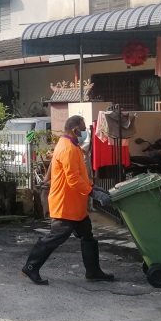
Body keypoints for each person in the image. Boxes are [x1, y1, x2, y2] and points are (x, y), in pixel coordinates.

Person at [22, 115, 114, 285]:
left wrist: (94, 187)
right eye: (83, 129)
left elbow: (79, 175)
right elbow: (73, 180)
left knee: (87, 235)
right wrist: (93, 193)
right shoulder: (68, 149)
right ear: (75, 130)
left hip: (75, 205)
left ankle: (93, 271)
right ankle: (31, 266)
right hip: (65, 205)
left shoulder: (71, 145)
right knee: (55, 238)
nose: (85, 133)